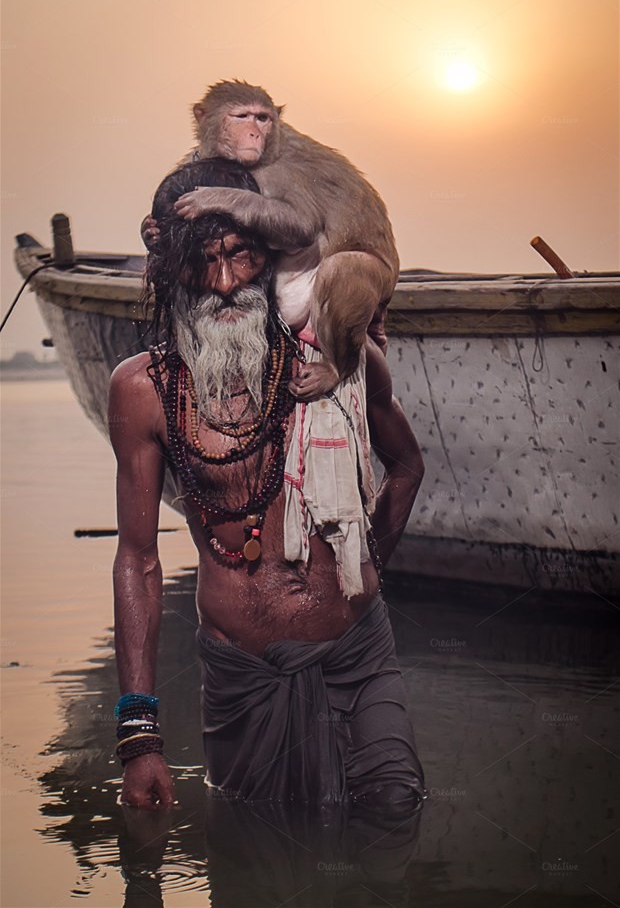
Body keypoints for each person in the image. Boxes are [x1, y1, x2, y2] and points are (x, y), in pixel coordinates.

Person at [109, 158, 426, 810]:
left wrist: (367, 566)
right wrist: (140, 737)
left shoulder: (336, 361)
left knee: (393, 812)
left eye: (242, 257)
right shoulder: (143, 392)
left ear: (272, 254)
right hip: (240, 671)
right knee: (253, 855)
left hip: (356, 653)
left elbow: (407, 466)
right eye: (204, 261)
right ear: (170, 266)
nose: (224, 283)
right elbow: (138, 559)